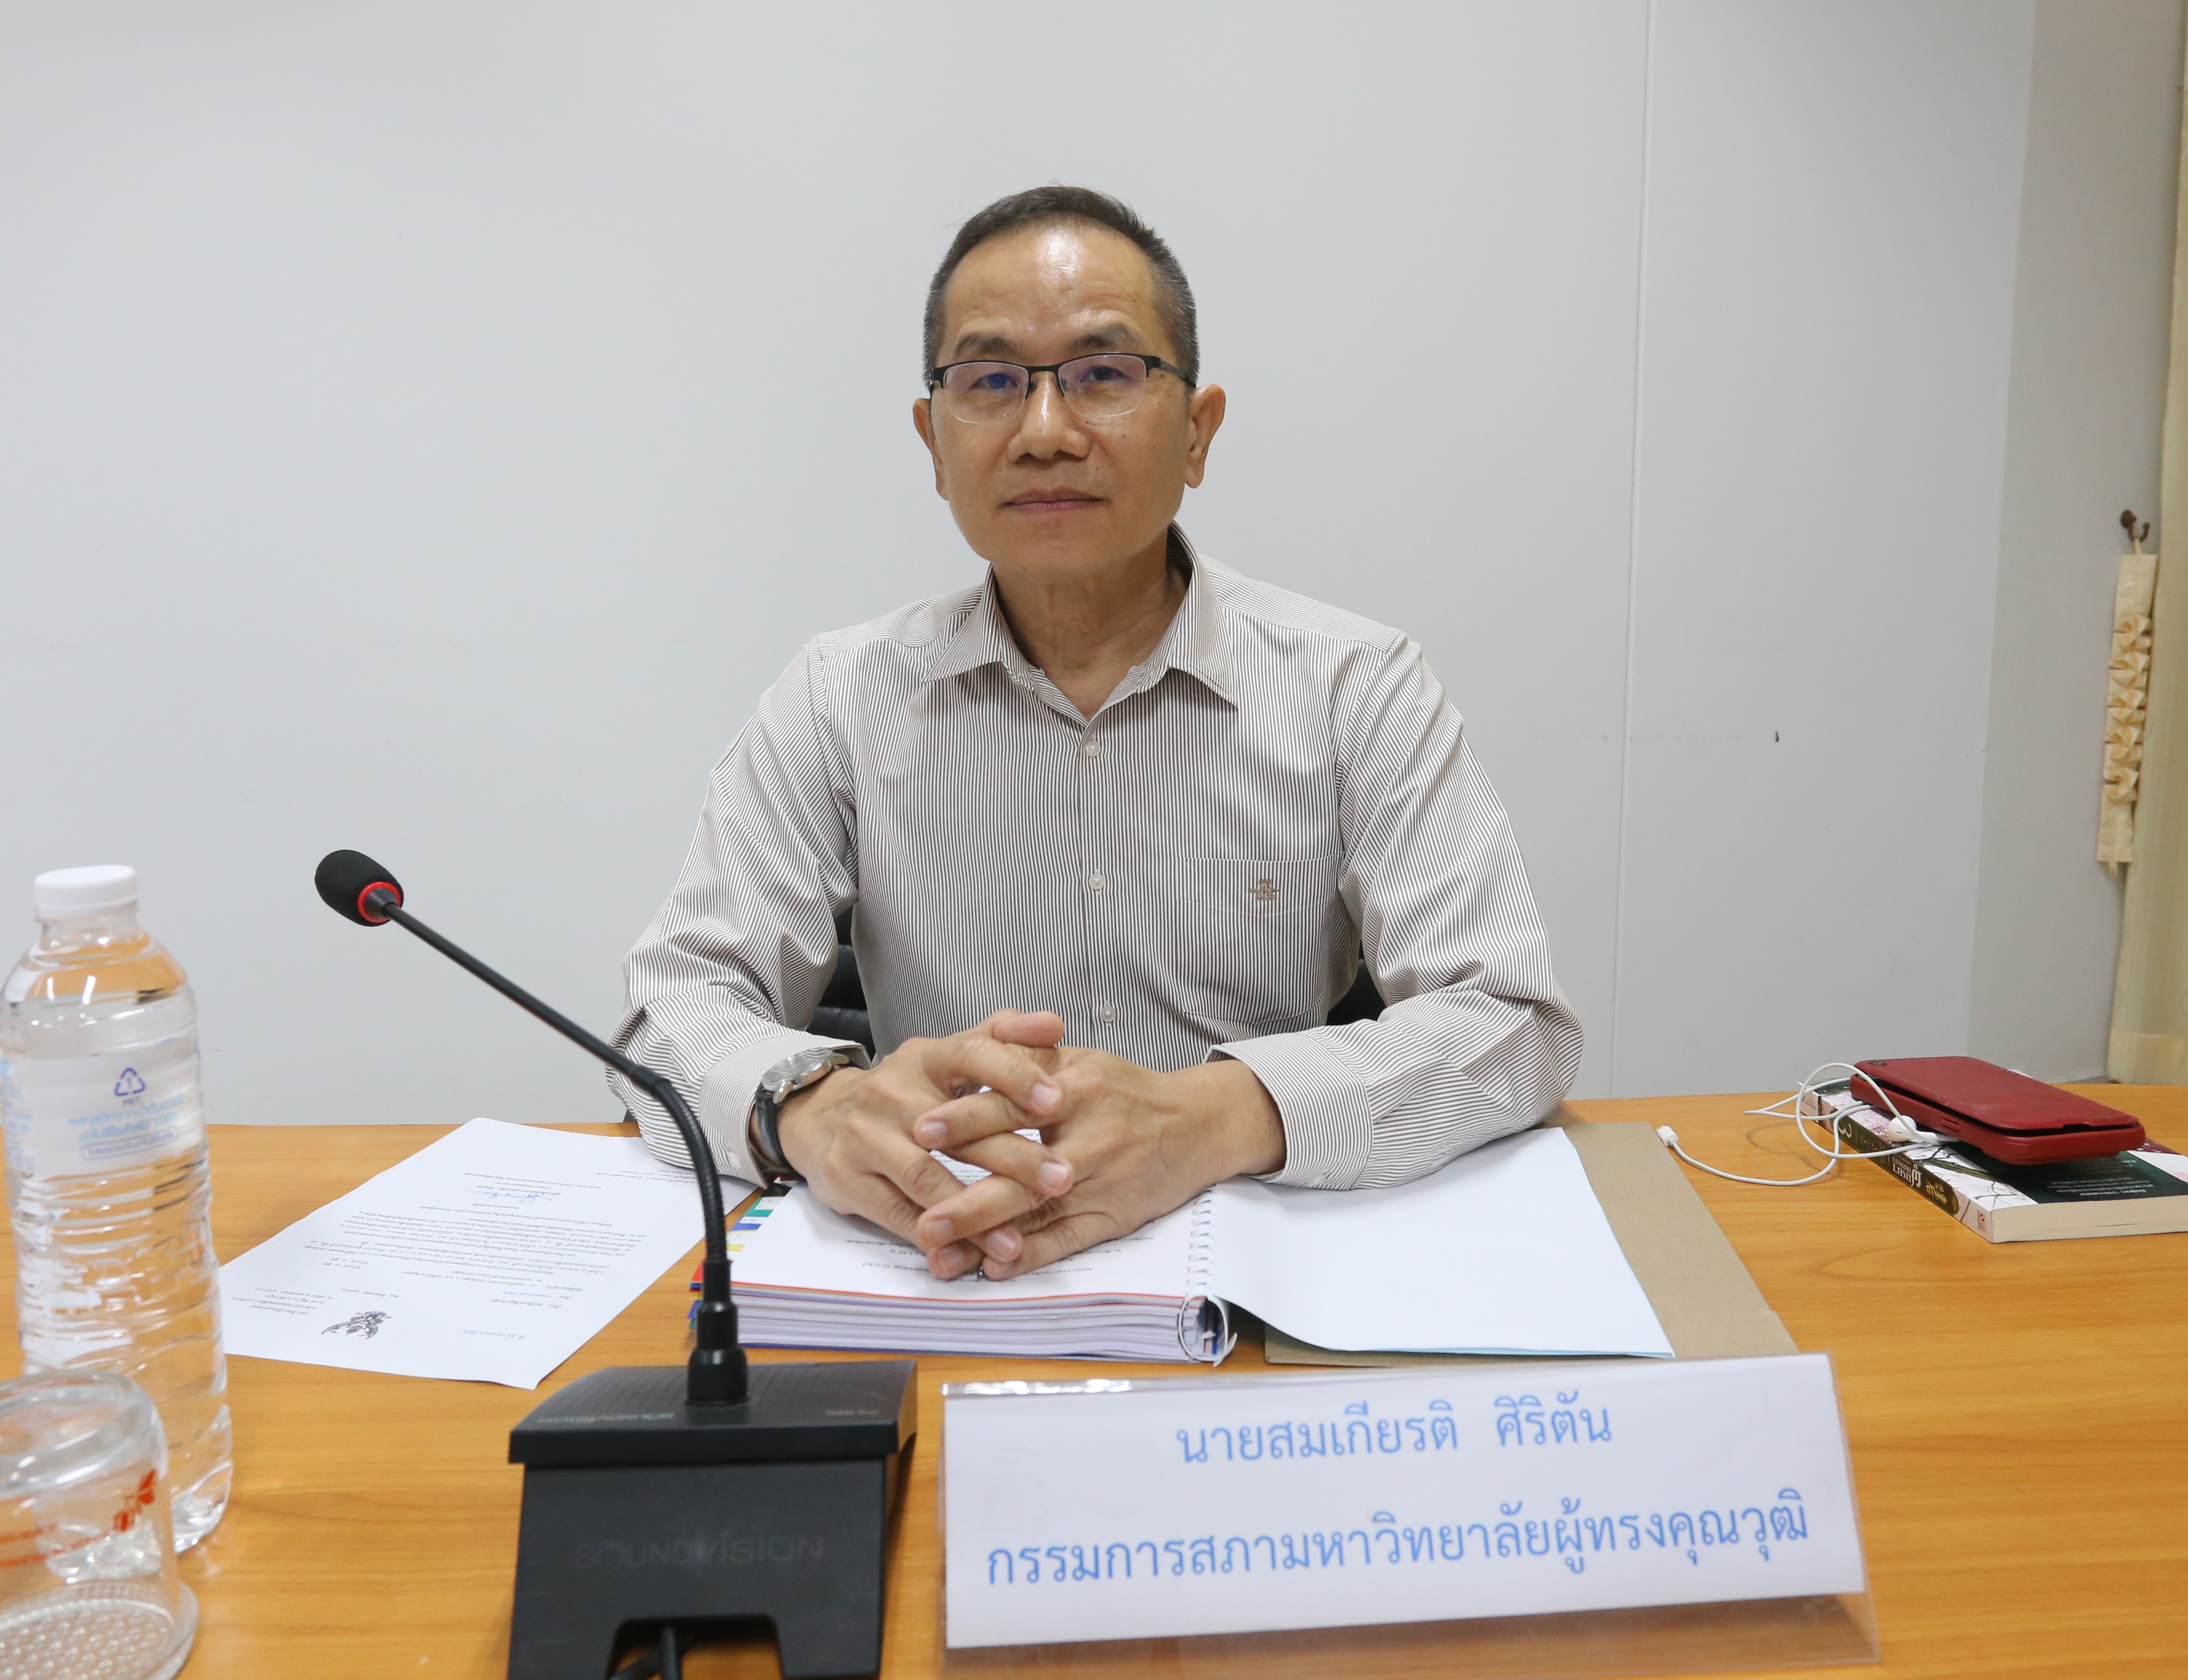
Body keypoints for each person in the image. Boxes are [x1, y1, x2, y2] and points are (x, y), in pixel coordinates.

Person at [608, 186, 1579, 1281]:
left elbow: (1514, 1020)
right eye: (990, 383)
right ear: (934, 444)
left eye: (1104, 375)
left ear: (1198, 432)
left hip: (1243, 1260)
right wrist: (817, 1111)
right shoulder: (840, 697)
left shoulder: (1357, 686)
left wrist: (1207, 1118)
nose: (1044, 433)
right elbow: (670, 1008)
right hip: (947, 1258)